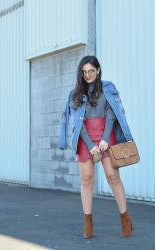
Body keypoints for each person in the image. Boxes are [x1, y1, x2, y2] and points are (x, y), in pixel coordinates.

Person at [58, 55, 134, 239]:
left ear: (98, 70)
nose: (88, 75)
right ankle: (88, 222)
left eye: (91, 71)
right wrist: (91, 145)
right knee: (86, 179)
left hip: (107, 136)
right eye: (84, 72)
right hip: (85, 139)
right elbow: (78, 122)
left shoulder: (108, 87)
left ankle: (125, 219)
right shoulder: (75, 94)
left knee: (112, 177)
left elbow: (112, 114)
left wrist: (105, 139)